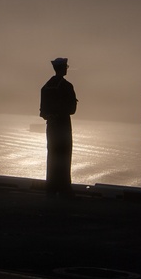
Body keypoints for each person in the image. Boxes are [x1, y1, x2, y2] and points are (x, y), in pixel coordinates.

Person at [40, 58, 77, 198]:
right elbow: (72, 109)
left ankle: (51, 186)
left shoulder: (46, 86)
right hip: (63, 124)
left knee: (52, 155)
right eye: (65, 67)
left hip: (51, 125)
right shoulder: (66, 86)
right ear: (62, 68)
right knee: (64, 155)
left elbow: (43, 111)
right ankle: (64, 187)